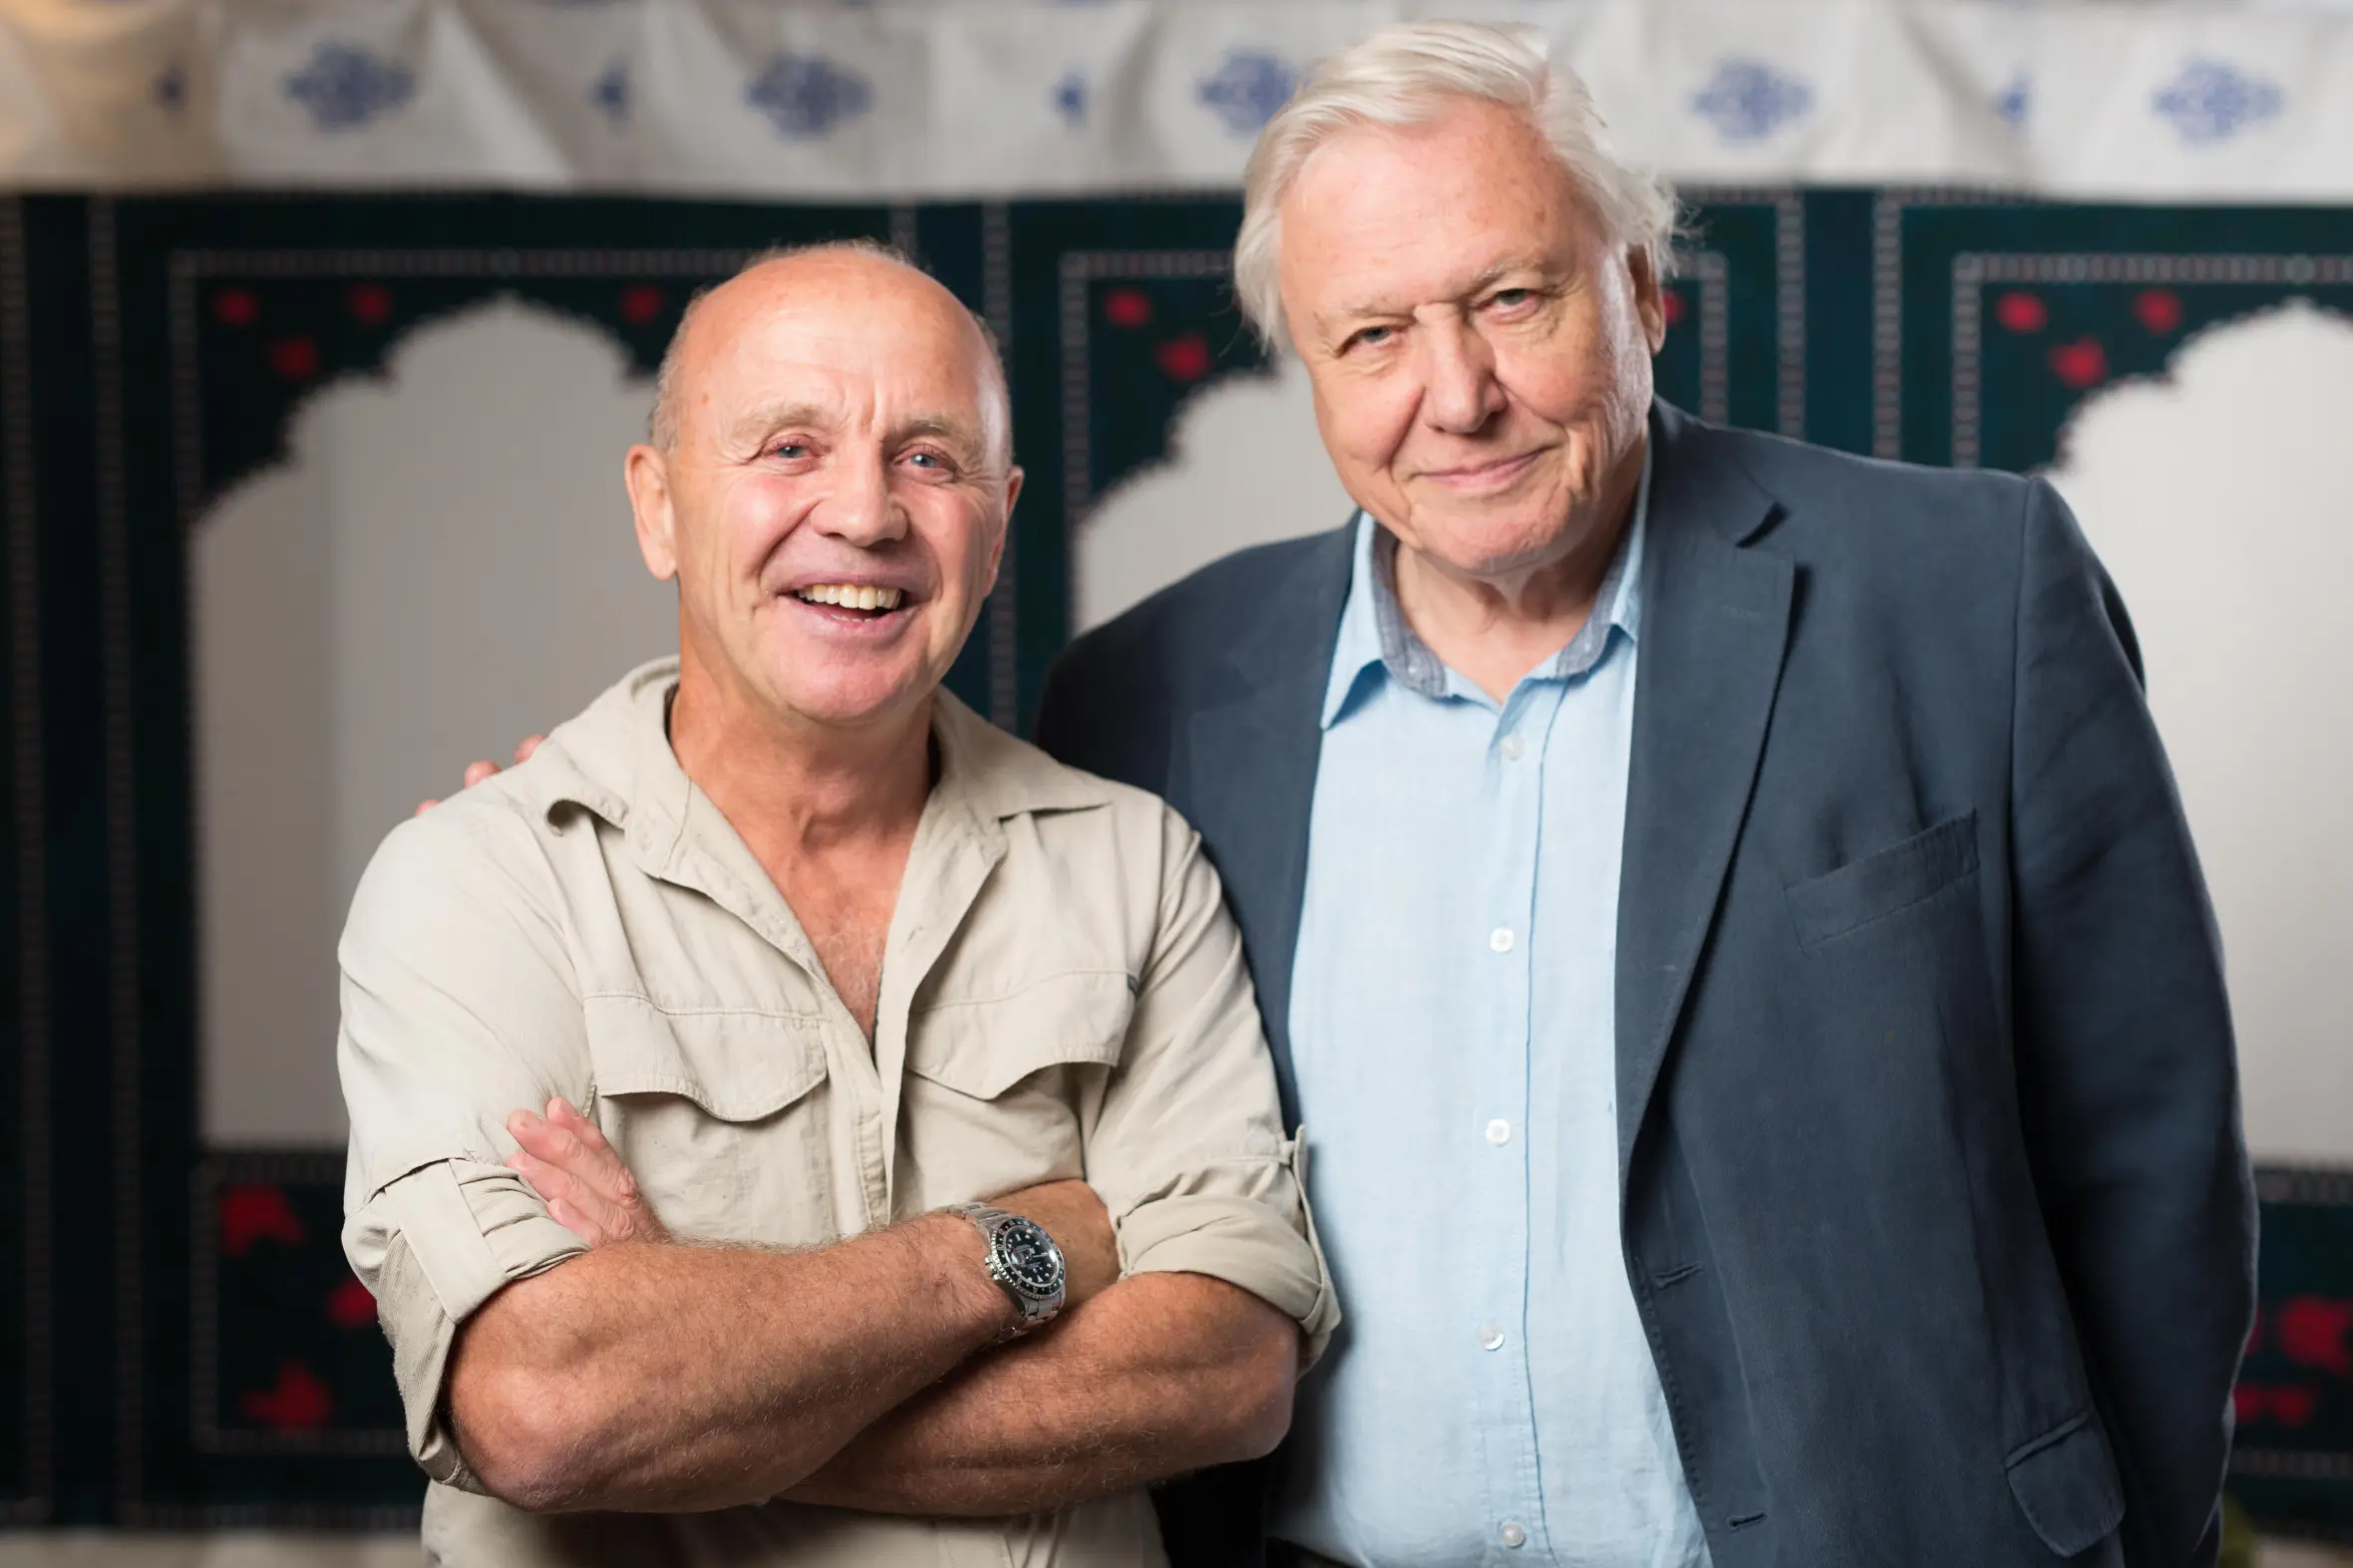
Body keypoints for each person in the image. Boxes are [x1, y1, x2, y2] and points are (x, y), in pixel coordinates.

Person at [480, 22, 2254, 1568]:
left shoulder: (1962, 594)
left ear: (1641, 289)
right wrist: (588, 841)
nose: (1455, 396)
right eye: (1374, 335)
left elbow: (2151, 1165)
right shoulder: (1151, 694)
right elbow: (914, 975)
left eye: (1512, 300)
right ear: (1308, 372)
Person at [338, 241, 1334, 1568]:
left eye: (928, 457)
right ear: (658, 508)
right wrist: (1015, 1248)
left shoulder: (1135, 866)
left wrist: (700, 1393)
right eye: (789, 447)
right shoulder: (481, 882)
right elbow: (547, 1408)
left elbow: (1224, 1375)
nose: (865, 514)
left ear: (997, 524)